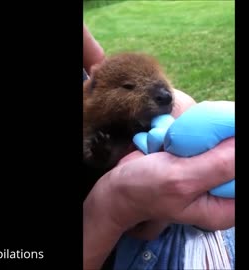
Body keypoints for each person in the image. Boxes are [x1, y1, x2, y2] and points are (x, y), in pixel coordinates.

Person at [83, 23, 235, 269]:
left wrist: (183, 108)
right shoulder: (95, 121)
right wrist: (112, 207)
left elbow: (101, 65)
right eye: (129, 89)